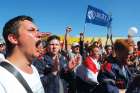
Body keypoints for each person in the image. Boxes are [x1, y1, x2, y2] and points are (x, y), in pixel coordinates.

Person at [0, 15, 44, 93]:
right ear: (13, 38)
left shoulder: (33, 69)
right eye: (31, 30)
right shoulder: (2, 78)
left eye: (37, 30)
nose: (40, 34)